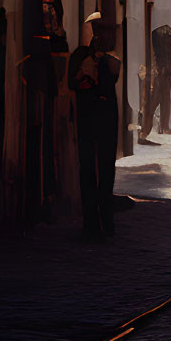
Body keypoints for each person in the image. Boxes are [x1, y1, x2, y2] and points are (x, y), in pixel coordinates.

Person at [68, 12, 121, 240]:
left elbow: (110, 80)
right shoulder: (80, 55)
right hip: (88, 117)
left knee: (106, 170)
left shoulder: (112, 59)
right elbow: (72, 82)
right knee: (88, 168)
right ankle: (91, 222)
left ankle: (106, 221)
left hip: (106, 118)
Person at [145, 24, 171, 137]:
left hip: (166, 76)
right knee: (156, 101)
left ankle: (163, 126)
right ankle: (147, 129)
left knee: (164, 101)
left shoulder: (168, 46)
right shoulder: (162, 46)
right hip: (162, 76)